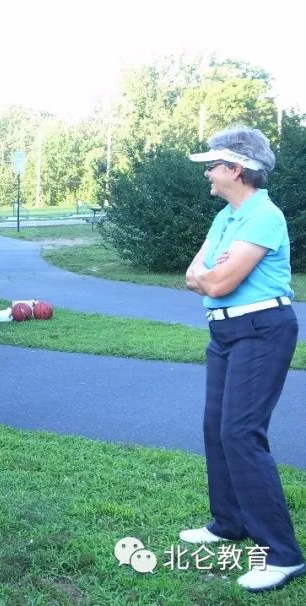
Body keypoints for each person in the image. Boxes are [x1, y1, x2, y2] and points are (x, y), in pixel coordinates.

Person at [181, 126, 305, 593]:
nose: (208, 174)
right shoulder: (227, 217)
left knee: (240, 433)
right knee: (216, 427)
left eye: (213, 165)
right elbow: (192, 274)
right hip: (225, 331)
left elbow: (216, 282)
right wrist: (209, 273)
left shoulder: (263, 216)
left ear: (236, 169)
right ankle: (229, 522)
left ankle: (282, 555)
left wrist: (210, 274)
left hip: (262, 330)